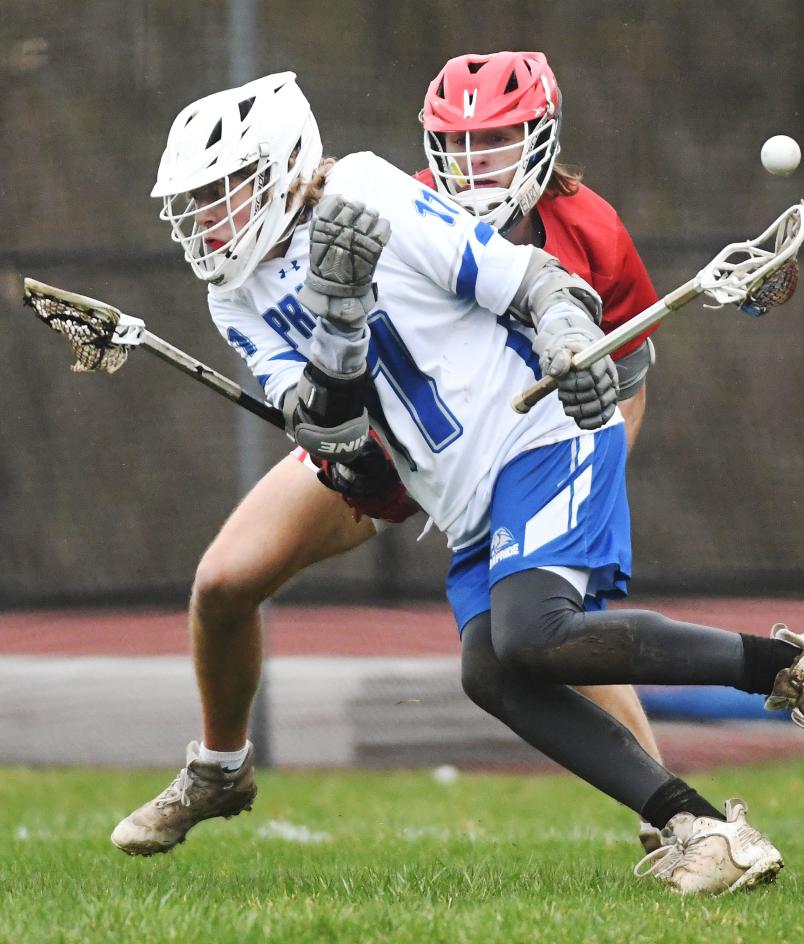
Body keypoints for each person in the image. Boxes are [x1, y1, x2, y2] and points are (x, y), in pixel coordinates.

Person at [113, 67, 804, 896]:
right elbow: (326, 428)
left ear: (281, 167)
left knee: (532, 632)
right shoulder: (233, 300)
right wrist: (337, 335)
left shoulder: (371, 188)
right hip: (460, 488)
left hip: (540, 433)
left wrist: (561, 332)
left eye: (225, 190)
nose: (206, 218)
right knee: (491, 670)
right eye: (196, 200)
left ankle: (790, 667)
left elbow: (530, 278)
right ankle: (698, 827)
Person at [110, 62, 663, 861]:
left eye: (498, 140)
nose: (477, 162)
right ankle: (220, 769)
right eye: (459, 143)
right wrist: (334, 415)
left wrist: (575, 465)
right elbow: (318, 410)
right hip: (370, 444)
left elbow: (627, 364)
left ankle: (666, 807)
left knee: (548, 612)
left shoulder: (569, 223)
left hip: (498, 431)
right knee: (223, 583)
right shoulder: (239, 285)